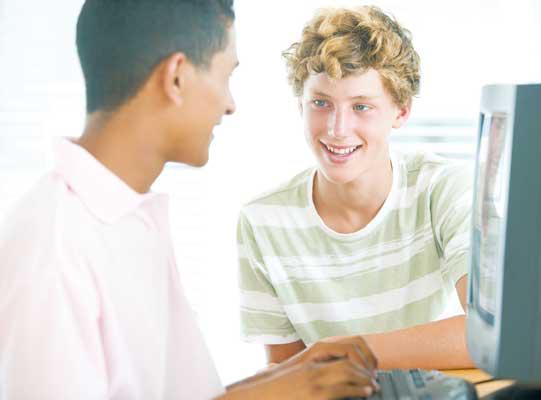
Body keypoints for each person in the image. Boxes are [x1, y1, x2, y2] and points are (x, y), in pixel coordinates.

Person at [0, 1, 380, 399]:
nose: (230, 104)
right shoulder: (52, 248)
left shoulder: (129, 217)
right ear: (177, 77)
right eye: (225, 75)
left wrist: (293, 375)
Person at [237, 6, 474, 371]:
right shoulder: (263, 220)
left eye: (361, 106)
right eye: (321, 103)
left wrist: (347, 351)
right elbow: (289, 376)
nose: (337, 129)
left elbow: (490, 334)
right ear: (300, 104)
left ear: (401, 111)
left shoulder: (443, 190)